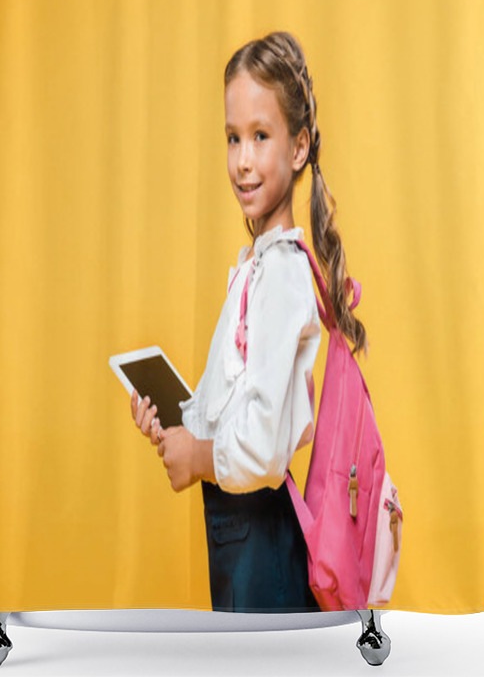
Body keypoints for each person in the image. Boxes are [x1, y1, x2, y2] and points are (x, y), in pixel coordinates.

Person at [130, 31, 368, 613]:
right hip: (239, 538)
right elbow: (224, 407)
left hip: (264, 543)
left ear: (298, 147)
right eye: (233, 138)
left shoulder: (283, 274)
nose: (242, 160)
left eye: (261, 137)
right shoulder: (253, 270)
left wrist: (200, 458)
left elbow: (260, 449)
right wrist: (172, 425)